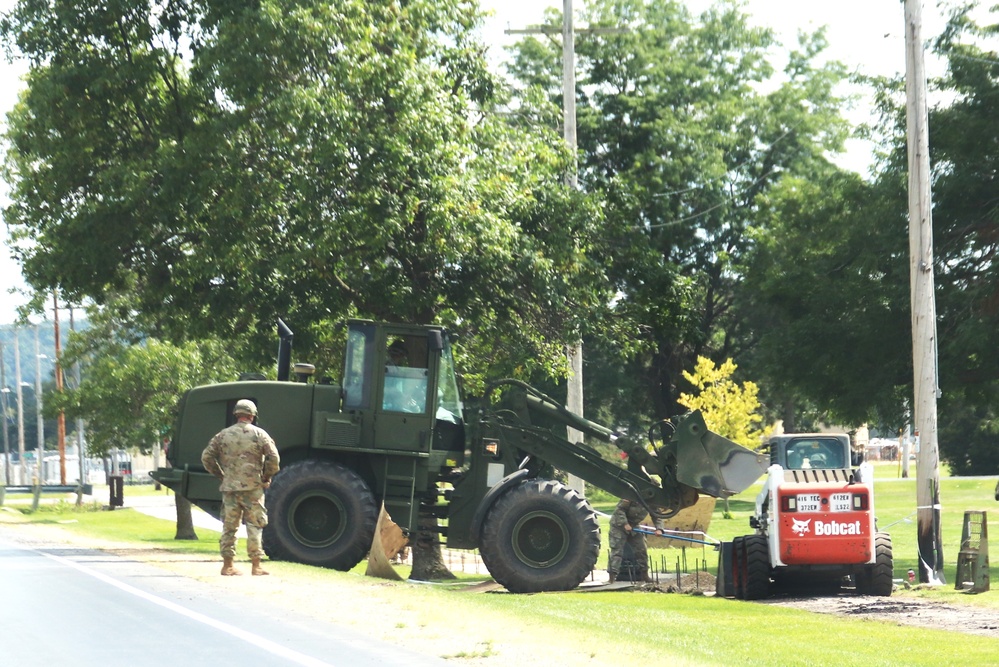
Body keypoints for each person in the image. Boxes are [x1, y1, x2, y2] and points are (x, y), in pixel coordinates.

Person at [201, 399, 281, 576]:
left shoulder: (222, 435)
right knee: (255, 524)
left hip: (230, 489)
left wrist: (221, 475)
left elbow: (206, 457)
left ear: (236, 415)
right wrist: (266, 477)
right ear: (252, 416)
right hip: (253, 488)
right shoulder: (260, 434)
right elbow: (274, 458)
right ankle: (256, 565)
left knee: (230, 526)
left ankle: (228, 565)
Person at [607, 498, 661, 583]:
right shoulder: (631, 495)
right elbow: (620, 510)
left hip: (634, 525)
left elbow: (656, 515)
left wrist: (659, 528)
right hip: (618, 525)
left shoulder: (652, 500)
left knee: (642, 549)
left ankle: (645, 575)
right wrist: (625, 523)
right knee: (617, 551)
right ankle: (612, 577)